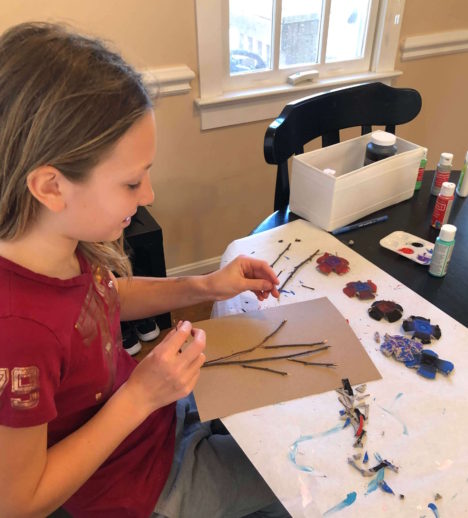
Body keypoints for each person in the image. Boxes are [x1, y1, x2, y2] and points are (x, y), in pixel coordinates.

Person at [0, 22, 289, 518]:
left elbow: (107, 297)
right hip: (135, 489)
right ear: (51, 186)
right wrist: (138, 397)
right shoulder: (18, 332)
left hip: (154, 425)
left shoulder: (61, 244)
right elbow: (18, 501)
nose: (149, 195)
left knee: (277, 414)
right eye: (132, 183)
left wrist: (205, 285)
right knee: (299, 478)